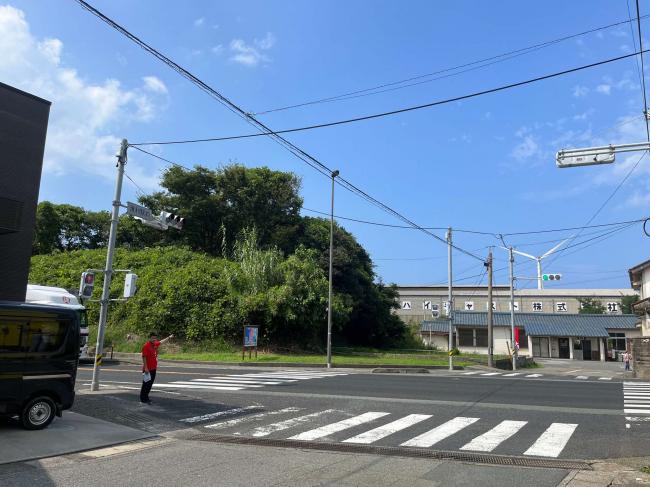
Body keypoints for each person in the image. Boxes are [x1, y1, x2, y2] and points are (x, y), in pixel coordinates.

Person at [140, 332, 173, 404]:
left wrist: (169, 337)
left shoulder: (154, 344)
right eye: (152, 338)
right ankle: (143, 399)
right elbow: (144, 357)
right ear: (149, 338)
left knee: (150, 384)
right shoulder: (146, 346)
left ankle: (146, 397)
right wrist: (146, 368)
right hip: (147, 369)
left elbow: (161, 342)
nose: (154, 339)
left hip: (153, 368)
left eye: (155, 338)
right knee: (146, 384)